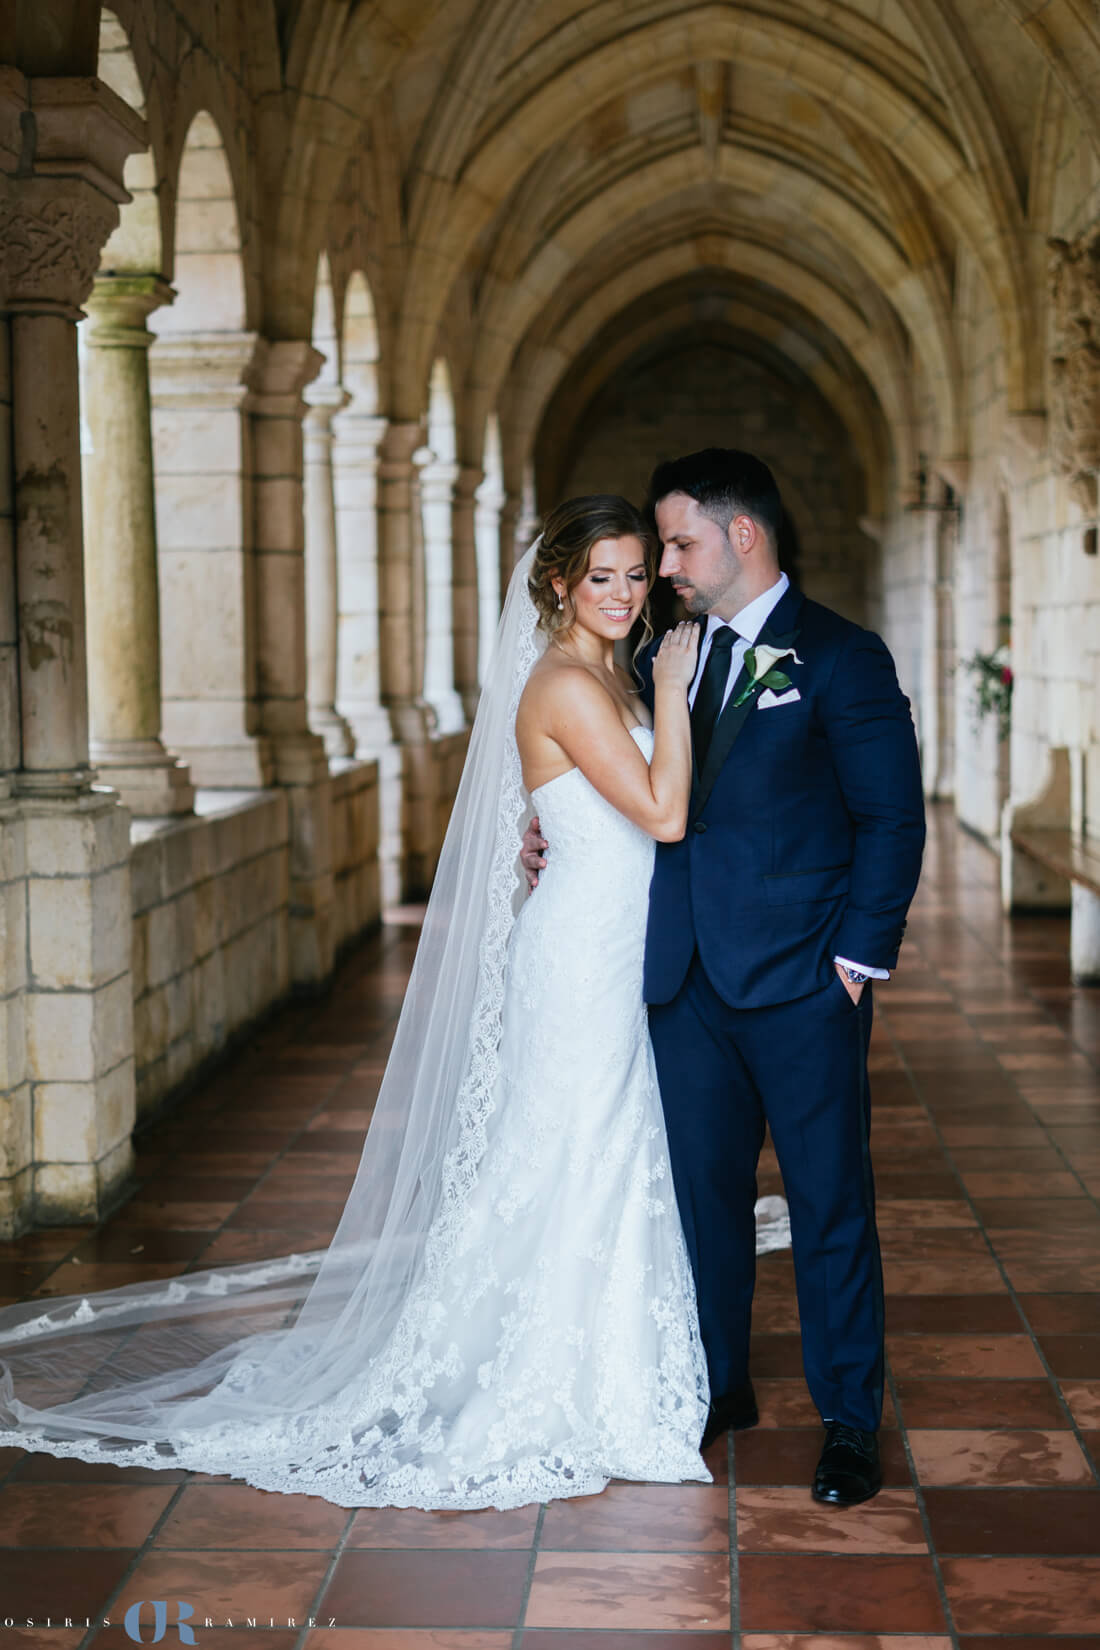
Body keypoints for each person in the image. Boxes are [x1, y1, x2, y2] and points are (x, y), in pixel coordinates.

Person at [0, 495, 726, 1511]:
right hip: (577, 959)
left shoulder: (601, 672)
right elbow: (661, 808)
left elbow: (595, 815)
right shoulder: (569, 680)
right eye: (600, 576)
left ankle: (602, 1365)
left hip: (606, 941)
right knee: (572, 1145)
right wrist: (678, 691)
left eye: (634, 575)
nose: (620, 594)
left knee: (596, 1147)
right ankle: (539, 1378)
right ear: (558, 582)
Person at [524, 450, 926, 1506]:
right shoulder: (661, 649)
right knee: (698, 1203)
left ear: (740, 536)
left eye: (677, 544)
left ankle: (846, 1421)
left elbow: (891, 818)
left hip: (801, 983)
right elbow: (618, 775)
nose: (662, 567)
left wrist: (852, 962)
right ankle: (714, 1387)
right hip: (678, 980)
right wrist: (546, 826)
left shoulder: (841, 657)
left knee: (828, 1202)